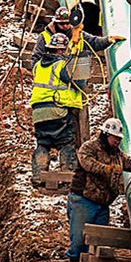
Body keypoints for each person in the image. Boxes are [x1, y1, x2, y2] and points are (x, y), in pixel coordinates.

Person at [66, 118, 131, 262]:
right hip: (84, 199)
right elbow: (87, 164)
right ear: (106, 134)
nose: (117, 141)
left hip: (103, 203)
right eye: (115, 138)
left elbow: (128, 163)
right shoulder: (89, 148)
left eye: (119, 139)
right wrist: (109, 170)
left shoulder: (116, 154)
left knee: (99, 238)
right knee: (78, 237)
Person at [28, 32, 81, 186]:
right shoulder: (61, 66)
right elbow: (76, 82)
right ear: (60, 50)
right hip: (57, 110)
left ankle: (38, 177)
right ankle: (68, 178)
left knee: (43, 143)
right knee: (66, 143)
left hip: (38, 113)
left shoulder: (38, 66)